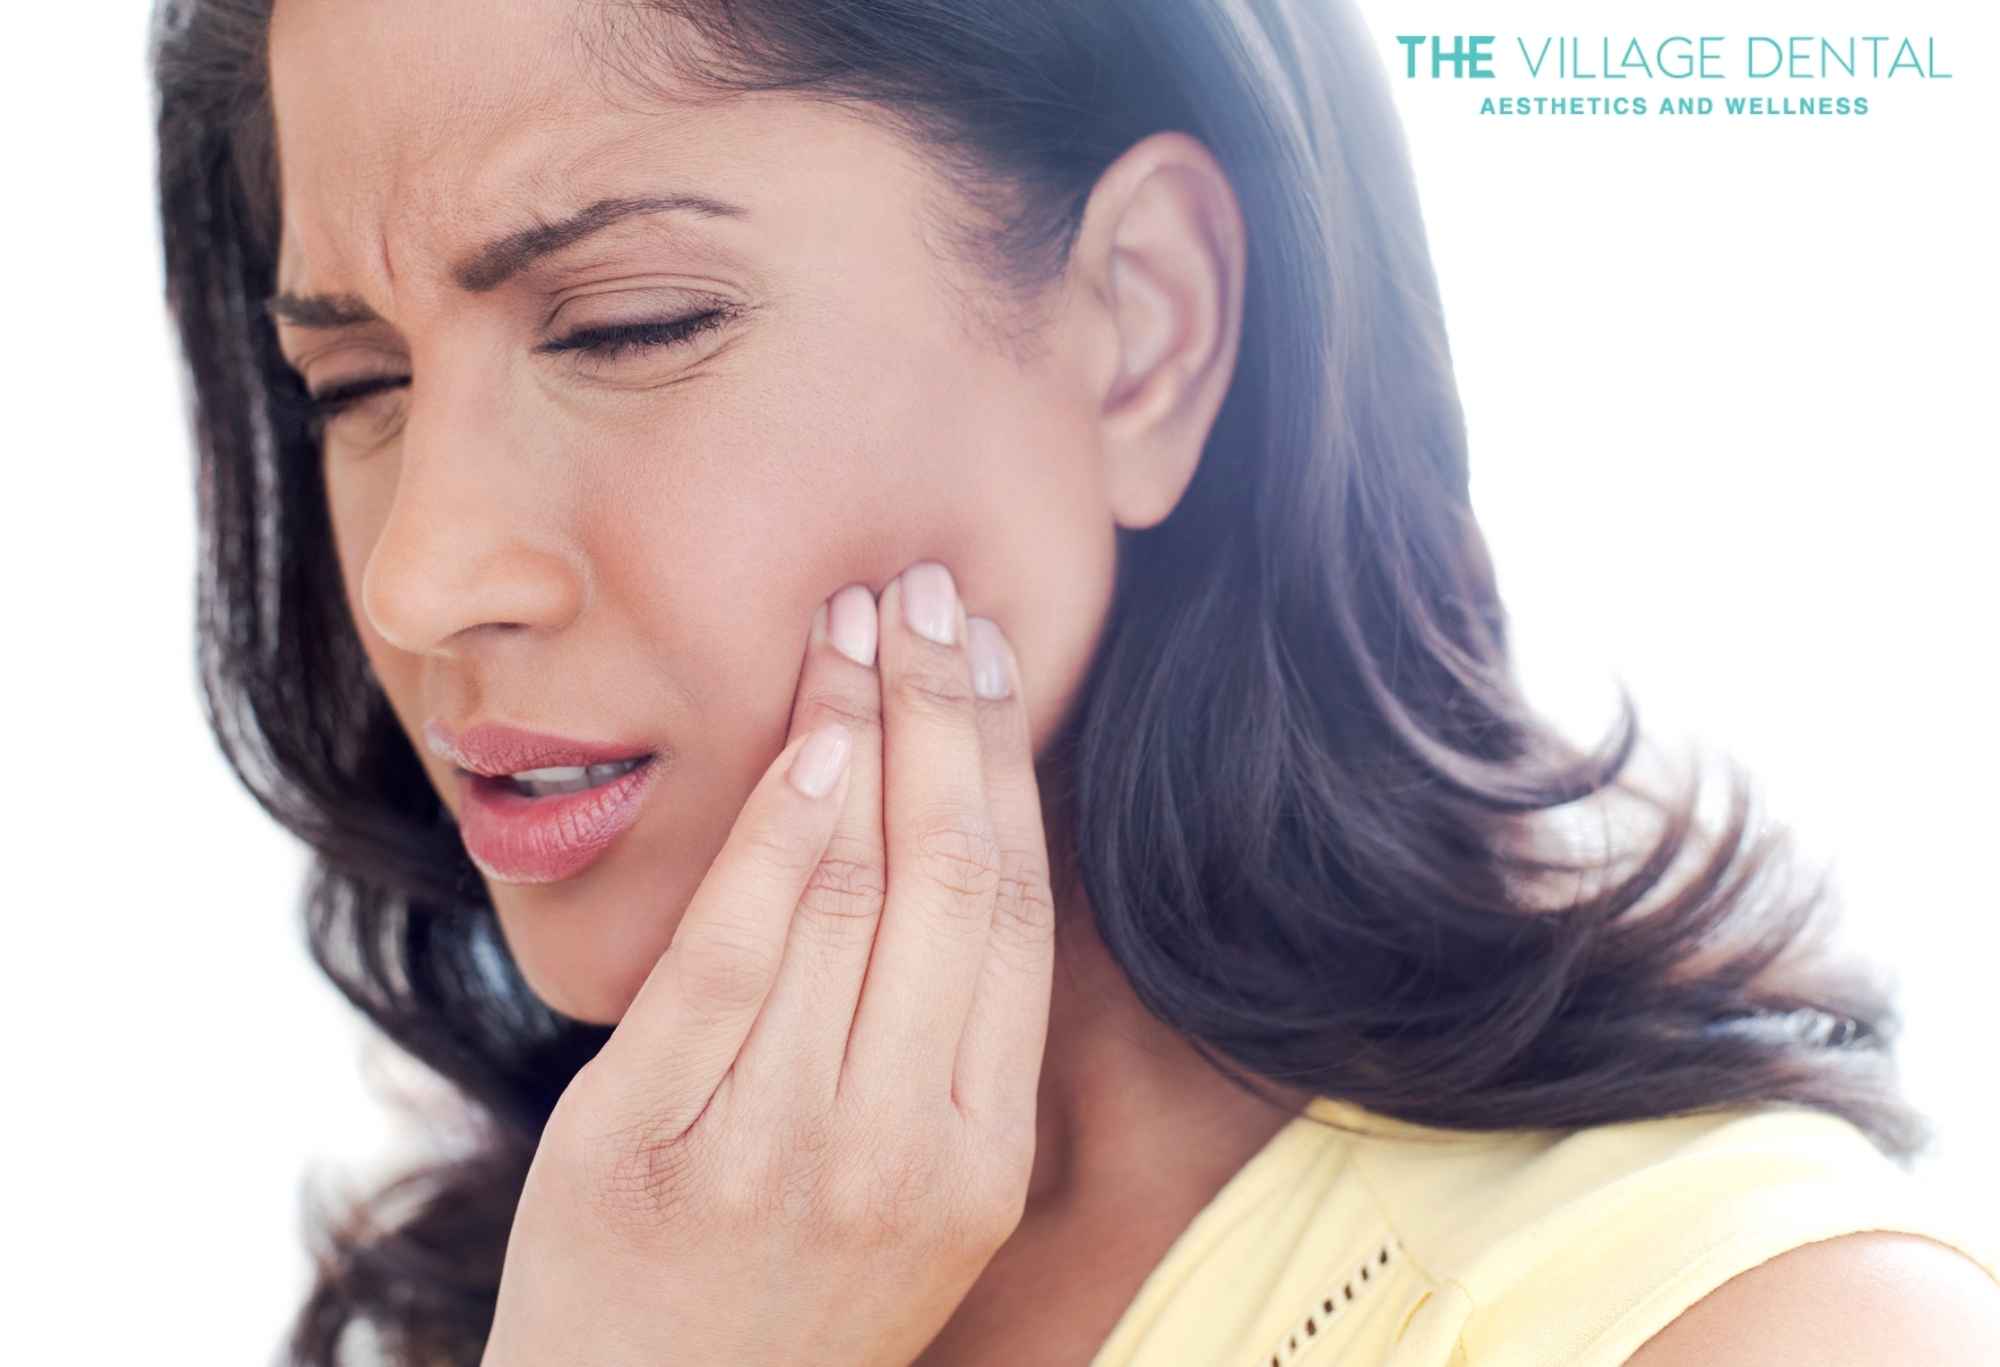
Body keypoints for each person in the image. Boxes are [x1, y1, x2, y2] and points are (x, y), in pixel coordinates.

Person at [149, 0, 2000, 1363]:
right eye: (358, 389)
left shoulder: (1770, 1324)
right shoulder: (513, 1291)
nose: (422, 575)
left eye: (630, 325)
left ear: (1147, 329)